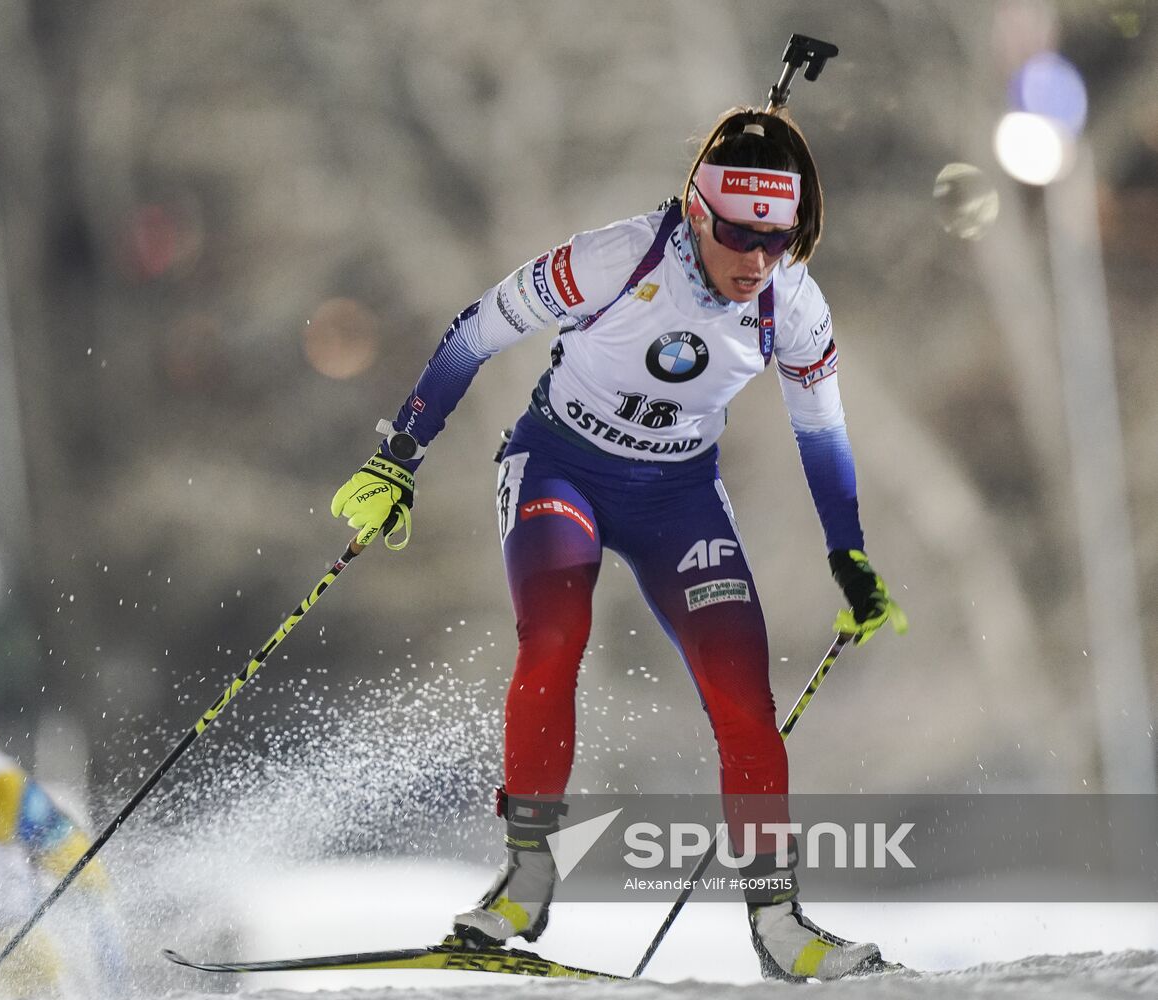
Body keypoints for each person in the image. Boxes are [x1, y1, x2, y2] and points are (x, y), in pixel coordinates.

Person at [331, 105, 907, 981]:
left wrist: (849, 555)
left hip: (678, 497)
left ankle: (781, 926)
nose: (757, 261)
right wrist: (398, 456)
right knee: (555, 636)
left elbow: (822, 433)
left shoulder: (791, 303)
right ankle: (526, 877)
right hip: (562, 469)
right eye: (740, 235)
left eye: (777, 240)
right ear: (699, 214)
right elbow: (476, 330)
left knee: (743, 694)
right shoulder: (617, 258)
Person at [0, 682, 128, 996]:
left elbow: (51, 839)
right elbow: (60, 845)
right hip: (5, 933)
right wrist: (94, 887)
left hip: (2, 933)